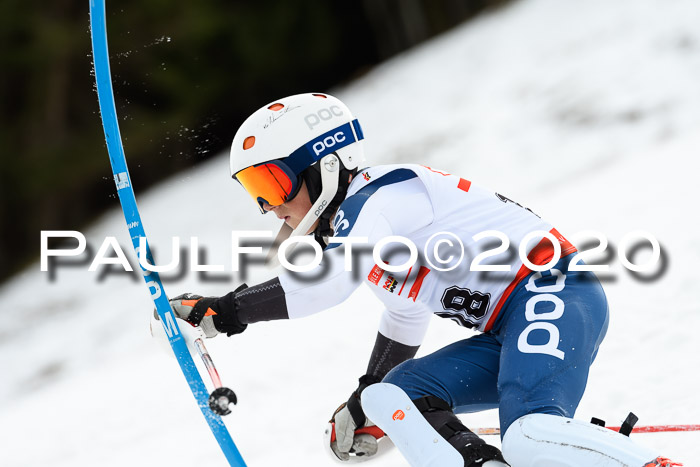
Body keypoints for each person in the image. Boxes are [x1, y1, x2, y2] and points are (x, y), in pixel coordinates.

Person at [161, 93, 681, 467]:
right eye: (257, 190)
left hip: (554, 293)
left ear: (323, 164)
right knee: (396, 397)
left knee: (530, 435)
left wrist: (225, 311)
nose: (270, 205)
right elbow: (404, 316)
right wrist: (365, 399)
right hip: (511, 325)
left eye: (273, 182)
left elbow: (329, 283)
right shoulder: (360, 228)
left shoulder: (380, 197)